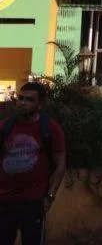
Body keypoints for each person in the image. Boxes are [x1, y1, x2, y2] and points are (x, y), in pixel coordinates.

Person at [0, 82, 66, 245]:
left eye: (29, 100)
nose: (22, 102)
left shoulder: (50, 128)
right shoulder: (5, 126)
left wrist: (50, 196)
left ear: (40, 104)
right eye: (20, 98)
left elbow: (60, 164)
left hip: (33, 202)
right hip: (4, 201)